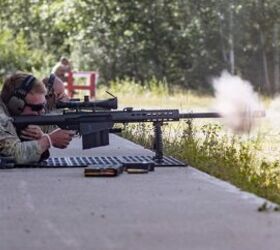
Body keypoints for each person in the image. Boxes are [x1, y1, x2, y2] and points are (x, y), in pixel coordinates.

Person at [0, 72, 74, 164]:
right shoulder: (1, 118)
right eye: (37, 107)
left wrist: (42, 136)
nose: (42, 111)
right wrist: (48, 140)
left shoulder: (15, 114)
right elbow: (15, 154)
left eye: (44, 105)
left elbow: (47, 127)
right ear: (16, 105)